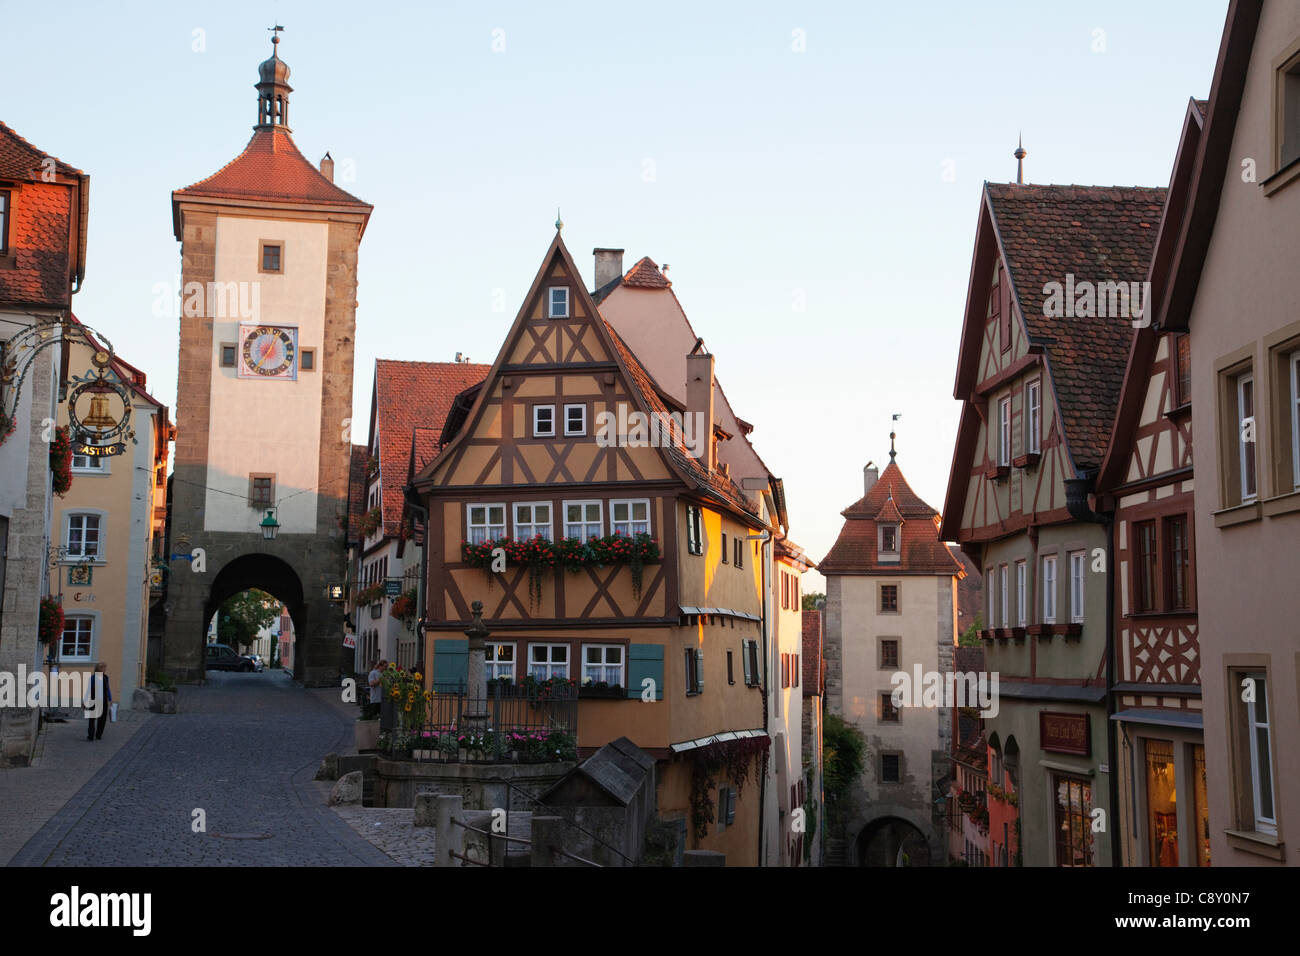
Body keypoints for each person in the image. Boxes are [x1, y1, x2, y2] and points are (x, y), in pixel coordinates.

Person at [85, 663, 111, 742]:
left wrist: (110, 699)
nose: (105, 669)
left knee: (102, 719)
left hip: (103, 701)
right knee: (92, 719)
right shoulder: (92, 678)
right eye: (103, 668)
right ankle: (91, 735)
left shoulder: (105, 677)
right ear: (99, 669)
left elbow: (107, 689)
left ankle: (98, 735)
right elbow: (88, 690)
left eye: (105, 667)